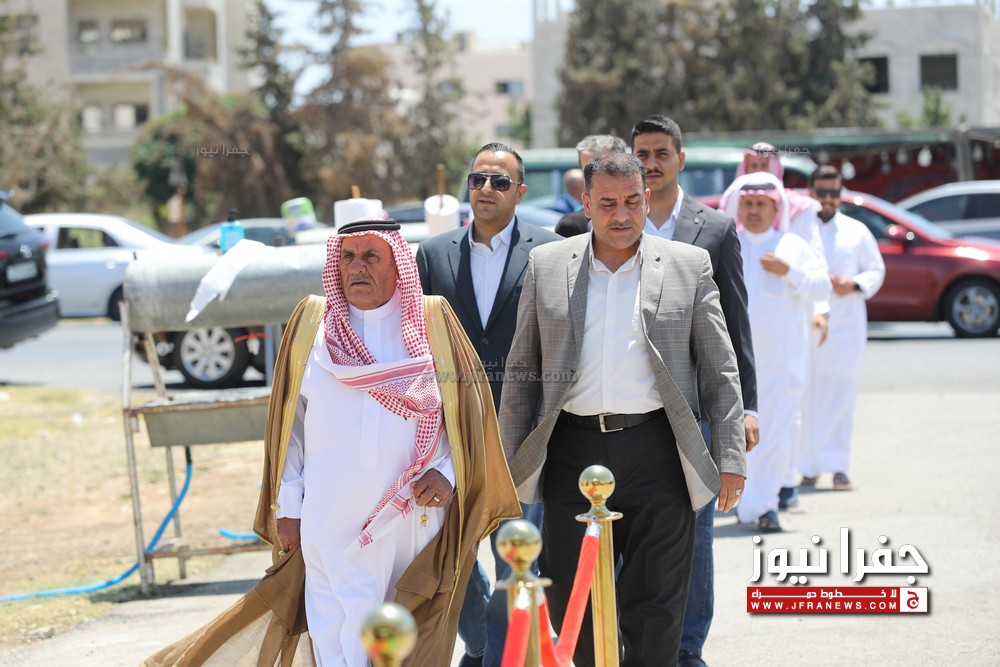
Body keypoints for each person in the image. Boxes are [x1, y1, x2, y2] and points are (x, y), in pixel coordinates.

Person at [145, 218, 520, 667]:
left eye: (371, 256)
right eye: (347, 257)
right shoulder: (312, 327)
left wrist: (447, 472)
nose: (357, 267)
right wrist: (288, 506)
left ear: (398, 263)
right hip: (330, 517)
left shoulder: (432, 322)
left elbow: (467, 418)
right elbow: (291, 429)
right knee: (337, 635)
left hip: (411, 519)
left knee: (410, 637)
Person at [499, 152, 746, 667]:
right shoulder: (547, 265)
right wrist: (505, 464)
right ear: (586, 204)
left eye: (633, 201)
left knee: (657, 607)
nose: (622, 214)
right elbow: (522, 371)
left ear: (647, 200)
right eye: (607, 203)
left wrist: (730, 457)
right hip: (571, 452)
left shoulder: (687, 265)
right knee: (575, 602)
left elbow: (720, 370)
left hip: (659, 453)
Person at [415, 142, 561, 667]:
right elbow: (419, 341)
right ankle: (482, 646)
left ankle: (501, 659)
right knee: (450, 559)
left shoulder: (550, 251)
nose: (486, 189)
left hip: (522, 433)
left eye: (499, 182)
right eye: (478, 179)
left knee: (513, 557)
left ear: (520, 192)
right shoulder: (433, 255)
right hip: (450, 434)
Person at [631, 114, 758, 667]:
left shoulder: (716, 230)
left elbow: (735, 327)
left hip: (695, 411)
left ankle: (687, 649)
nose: (651, 164)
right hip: (629, 406)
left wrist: (746, 408)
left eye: (661, 153)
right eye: (641, 154)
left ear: (681, 159)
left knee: (695, 534)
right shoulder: (616, 223)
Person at [718, 140, 830, 511]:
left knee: (777, 432)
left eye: (761, 204)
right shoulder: (727, 246)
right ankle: (749, 503)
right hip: (736, 362)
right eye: (747, 204)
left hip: (781, 363)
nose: (753, 211)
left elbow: (822, 286)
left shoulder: (792, 245)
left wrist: (790, 272)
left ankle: (765, 505)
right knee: (738, 432)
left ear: (775, 208)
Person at [799, 165, 885, 491]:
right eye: (821, 192)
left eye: (833, 193)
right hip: (805, 326)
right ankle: (807, 467)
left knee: (841, 396)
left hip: (845, 326)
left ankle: (838, 466)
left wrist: (854, 284)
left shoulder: (856, 231)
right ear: (811, 193)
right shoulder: (798, 229)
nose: (827, 199)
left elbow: (876, 270)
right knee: (804, 396)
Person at [554, 134, 629, 238]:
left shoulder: (639, 218)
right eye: (588, 171)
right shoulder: (572, 227)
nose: (595, 177)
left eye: (604, 169)